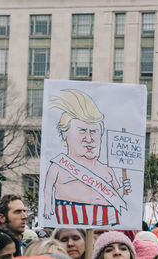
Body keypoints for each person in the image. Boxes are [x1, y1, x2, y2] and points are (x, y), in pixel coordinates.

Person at [43, 89, 130, 226]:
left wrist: (124, 189)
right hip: (71, 221)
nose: (89, 139)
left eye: (94, 132)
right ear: (65, 134)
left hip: (107, 221)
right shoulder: (58, 166)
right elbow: (48, 189)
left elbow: (116, 194)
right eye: (82, 131)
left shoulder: (107, 171)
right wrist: (48, 208)